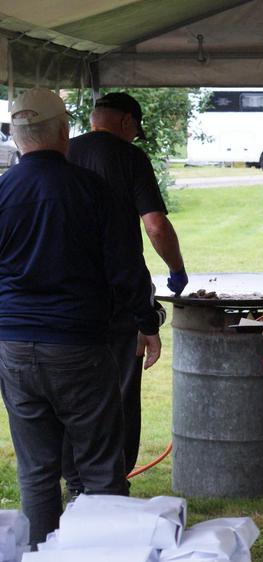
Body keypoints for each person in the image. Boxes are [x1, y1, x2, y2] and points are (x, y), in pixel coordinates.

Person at [0, 87, 162, 547]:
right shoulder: (91, 190)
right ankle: (103, 551)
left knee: (37, 471)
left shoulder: (3, 191)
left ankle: (39, 552)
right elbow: (125, 268)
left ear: (17, 137)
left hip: (14, 345)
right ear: (63, 132)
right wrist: (147, 322)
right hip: (78, 345)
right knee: (101, 469)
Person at [64, 91, 183, 483]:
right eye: (135, 130)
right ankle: (113, 480)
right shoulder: (129, 157)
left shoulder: (61, 152)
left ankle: (76, 482)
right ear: (127, 122)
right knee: (119, 393)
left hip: (67, 298)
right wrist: (176, 268)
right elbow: (155, 225)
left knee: (72, 393)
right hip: (118, 298)